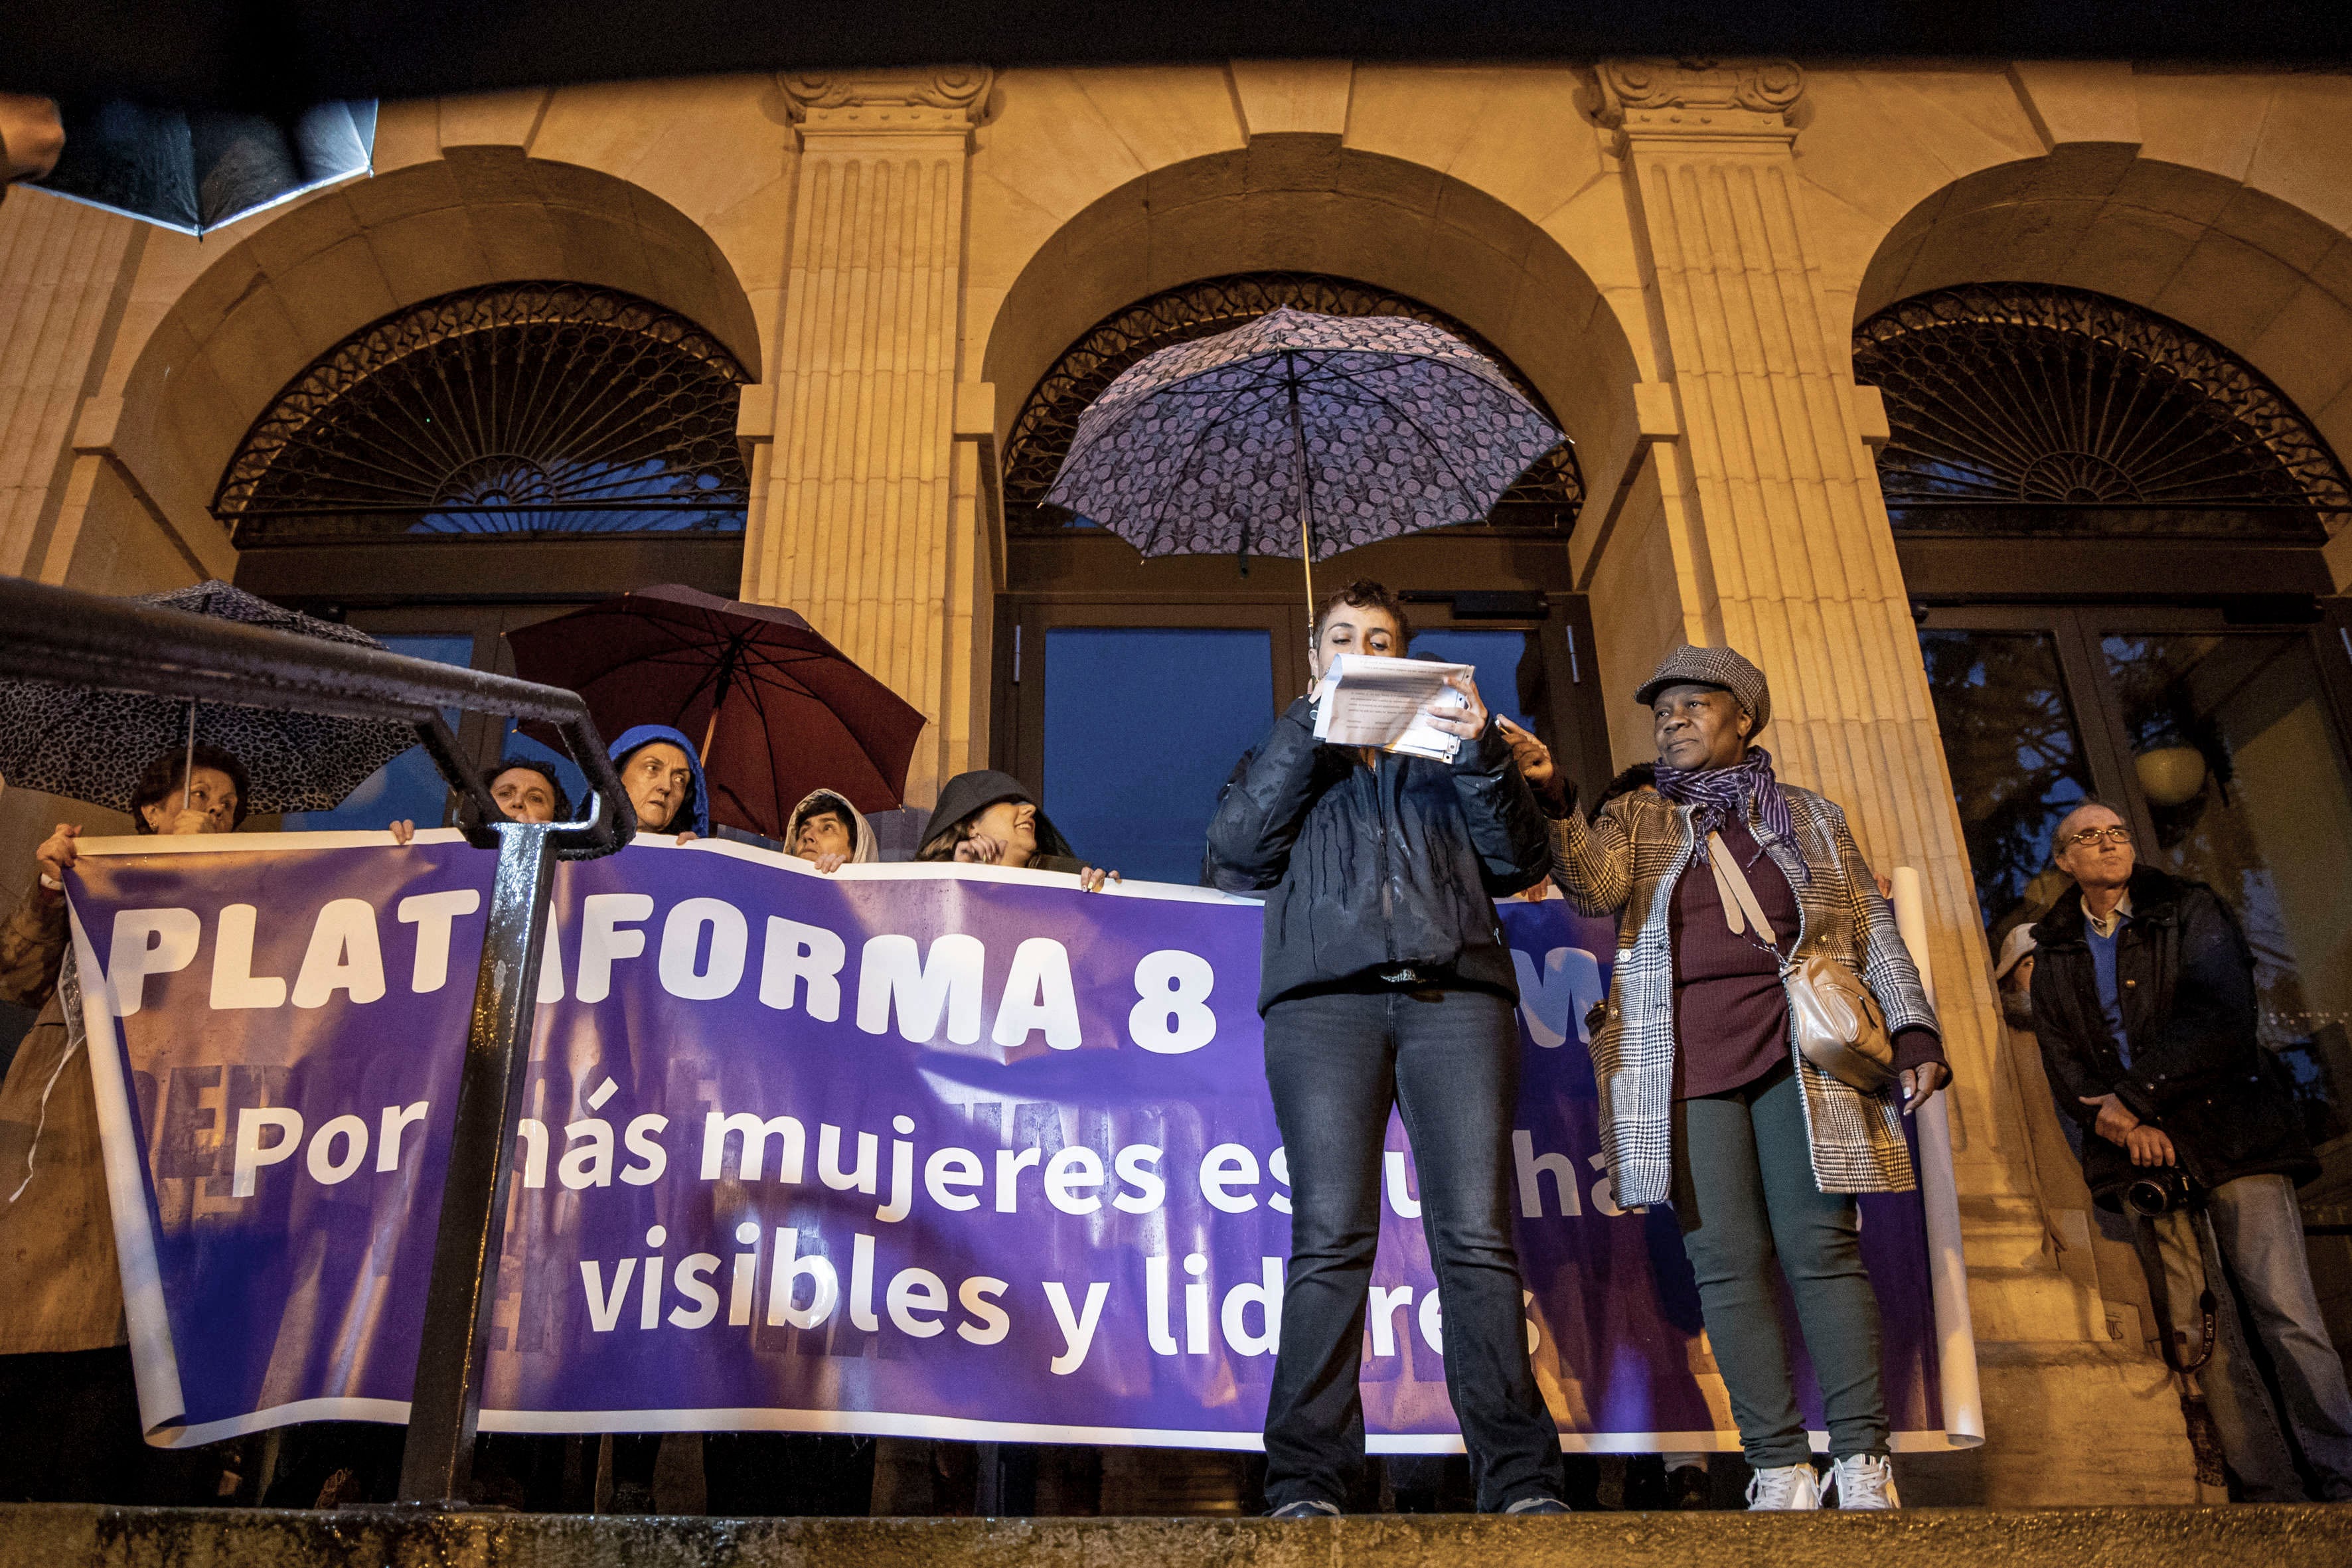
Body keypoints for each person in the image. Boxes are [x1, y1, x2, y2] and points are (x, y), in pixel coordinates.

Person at [1532, 644, 1946, 1512]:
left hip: (1804, 1056)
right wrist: (1556, 799)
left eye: (1692, 703)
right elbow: (1589, 884)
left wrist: (1911, 1030)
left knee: (1819, 1250)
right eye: (1661, 708)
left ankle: (1862, 1460)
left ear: (1743, 717)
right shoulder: (1639, 817)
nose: (1671, 718)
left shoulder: (1811, 815)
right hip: (1680, 1061)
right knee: (1722, 1259)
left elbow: (1867, 926)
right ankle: (1778, 1464)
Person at [1206, 578, 1569, 1518]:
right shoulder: (1282, 754)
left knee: (1477, 1242)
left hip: (1457, 1004)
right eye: (1342, 638)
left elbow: (1519, 860)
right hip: (1324, 1011)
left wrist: (1481, 745)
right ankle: (1305, 1482)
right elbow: (1237, 852)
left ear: (1407, 658)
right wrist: (1307, 726)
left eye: (1379, 637)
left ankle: (1521, 1481)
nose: (1362, 648)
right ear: (1317, 657)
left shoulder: (1448, 762)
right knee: (1328, 1240)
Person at [2028, 797, 2352, 1500]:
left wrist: (2136, 1099)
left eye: (2118, 831)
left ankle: (2343, 1476)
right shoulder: (2052, 949)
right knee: (2198, 1332)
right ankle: (2268, 1494)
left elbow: (2222, 1016)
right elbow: (2065, 1061)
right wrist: (2124, 1125)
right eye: (2090, 836)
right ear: (2064, 861)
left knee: (2286, 1311)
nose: (2110, 844)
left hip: (2233, 1136)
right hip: (2141, 1157)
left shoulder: (2190, 909)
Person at [0, 744, 252, 1502]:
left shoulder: (251, 900)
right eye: (196, 793)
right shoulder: (88, 881)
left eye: (228, 806)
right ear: (150, 810)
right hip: (69, 1152)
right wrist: (53, 886)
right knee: (54, 1366)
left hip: (183, 1154)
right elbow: (17, 974)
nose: (211, 809)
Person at [917, 771, 1116, 890]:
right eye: (1011, 801)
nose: (1031, 809)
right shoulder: (916, 891)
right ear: (971, 825)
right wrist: (959, 880)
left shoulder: (1070, 883)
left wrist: (1107, 903)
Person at [390, 755, 573, 843]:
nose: (518, 802)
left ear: (555, 818)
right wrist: (400, 849)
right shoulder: (447, 859)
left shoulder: (574, 880)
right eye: (505, 793)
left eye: (535, 798)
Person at [609, 724, 709, 842]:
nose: (666, 787)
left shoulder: (691, 856)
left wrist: (697, 856)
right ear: (616, 776)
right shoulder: (582, 847)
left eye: (679, 779)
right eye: (652, 768)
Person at [786, 788, 878, 873]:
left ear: (856, 851)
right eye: (804, 830)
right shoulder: (773, 888)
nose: (807, 835)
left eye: (827, 828)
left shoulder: (882, 890)